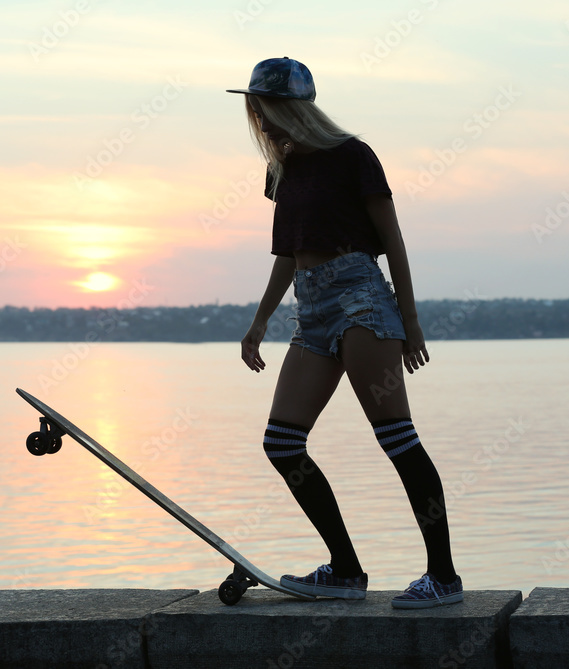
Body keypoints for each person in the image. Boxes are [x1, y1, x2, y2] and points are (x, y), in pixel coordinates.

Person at [226, 57, 462, 608]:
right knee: (282, 443)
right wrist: (260, 320)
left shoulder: (353, 155)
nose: (259, 119)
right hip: (311, 308)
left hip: (361, 298)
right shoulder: (281, 170)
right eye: (255, 108)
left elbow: (393, 240)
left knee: (395, 437)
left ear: (294, 108)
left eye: (265, 107)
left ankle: (443, 577)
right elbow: (290, 252)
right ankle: (346, 572)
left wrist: (410, 319)